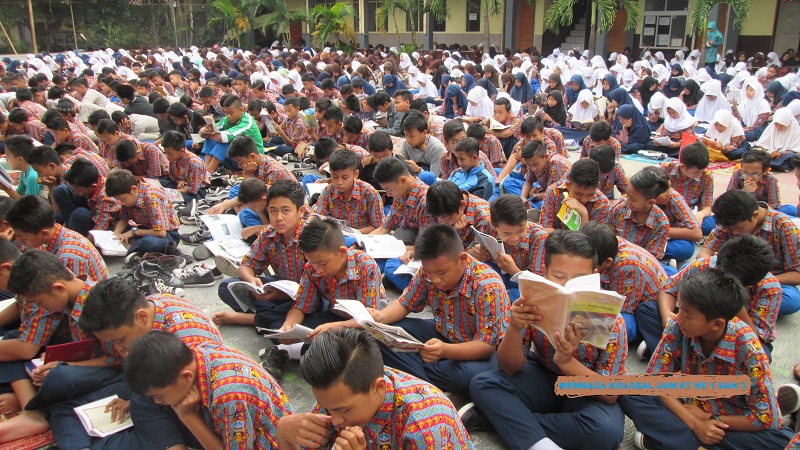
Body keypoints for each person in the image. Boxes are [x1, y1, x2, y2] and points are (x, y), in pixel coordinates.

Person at [463, 230, 627, 450]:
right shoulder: (533, 302)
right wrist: (514, 326)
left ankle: (502, 421)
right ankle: (539, 441)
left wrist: (567, 361)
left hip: (587, 392)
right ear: (545, 272)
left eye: (579, 280)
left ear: (594, 275)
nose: (567, 286)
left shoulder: (612, 319)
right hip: (544, 377)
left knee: (605, 432)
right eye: (559, 277)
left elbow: (610, 394)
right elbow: (509, 368)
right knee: (483, 384)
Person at [619, 269, 794, 450]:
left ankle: (672, 438)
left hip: (732, 416)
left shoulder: (749, 349)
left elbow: (765, 419)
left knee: (782, 442)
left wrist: (709, 418)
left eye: (686, 313)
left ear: (716, 324)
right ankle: (682, 440)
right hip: (689, 401)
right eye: (680, 309)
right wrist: (696, 424)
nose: (677, 317)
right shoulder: (678, 325)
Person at [276, 328, 473, 449]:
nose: (334, 420)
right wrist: (284, 435)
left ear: (378, 387)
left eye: (343, 410)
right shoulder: (340, 394)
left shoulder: (424, 428)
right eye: (326, 407)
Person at [373, 224, 509, 395]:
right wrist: (379, 318)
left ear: (462, 259)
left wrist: (445, 350)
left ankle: (415, 377)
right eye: (429, 272)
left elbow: (486, 346)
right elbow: (404, 303)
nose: (435, 279)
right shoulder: (428, 271)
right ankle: (426, 382)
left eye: (441, 272)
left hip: (478, 349)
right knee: (383, 333)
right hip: (444, 331)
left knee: (470, 376)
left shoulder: (487, 286)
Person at [124, 331, 292, 449]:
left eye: (159, 395)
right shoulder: (197, 352)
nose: (157, 400)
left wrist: (187, 416)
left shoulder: (227, 397)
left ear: (186, 376)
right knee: (143, 402)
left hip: (270, 443)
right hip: (237, 425)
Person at [639, 234, 781, 362]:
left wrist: (734, 301)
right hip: (694, 322)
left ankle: (680, 355)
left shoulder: (769, 289)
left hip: (727, 338)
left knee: (761, 356)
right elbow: (668, 289)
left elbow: (756, 338)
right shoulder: (709, 264)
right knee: (647, 309)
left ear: (749, 285)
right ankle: (675, 351)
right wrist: (667, 317)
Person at [276, 218, 386, 343]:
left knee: (348, 343)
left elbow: (369, 319)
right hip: (336, 316)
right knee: (285, 327)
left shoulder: (365, 266)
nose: (318, 270)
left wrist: (333, 328)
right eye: (313, 263)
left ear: (342, 252)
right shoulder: (311, 268)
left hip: (366, 323)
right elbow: (301, 305)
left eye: (322, 263)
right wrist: (288, 326)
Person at [698, 190, 800, 316]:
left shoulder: (785, 228)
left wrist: (759, 282)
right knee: (691, 271)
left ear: (755, 215)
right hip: (729, 280)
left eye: (738, 228)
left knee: (791, 300)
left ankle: (725, 304)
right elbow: (704, 253)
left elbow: (797, 274)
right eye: (731, 229)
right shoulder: (731, 221)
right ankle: (737, 306)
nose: (734, 233)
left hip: (767, 282)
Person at [581, 221, 668, 343]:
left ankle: (646, 337)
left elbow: (623, 308)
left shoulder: (627, 267)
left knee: (617, 326)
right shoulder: (606, 243)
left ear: (607, 262)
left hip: (645, 308)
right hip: (626, 287)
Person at [5, 195, 108, 281]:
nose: (19, 240)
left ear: (43, 234)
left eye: (23, 238)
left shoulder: (68, 257)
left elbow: (76, 299)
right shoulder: (53, 236)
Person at [106, 169, 181, 255]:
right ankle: (132, 246)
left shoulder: (151, 197)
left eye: (123, 199)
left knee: (149, 243)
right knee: (112, 227)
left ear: (134, 189)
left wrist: (133, 232)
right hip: (145, 228)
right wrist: (115, 236)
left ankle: (131, 249)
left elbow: (161, 233)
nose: (122, 203)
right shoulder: (128, 196)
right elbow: (123, 219)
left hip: (167, 234)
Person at [490, 194, 548, 299]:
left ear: (526, 218)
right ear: (494, 226)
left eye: (521, 231)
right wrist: (476, 251)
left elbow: (537, 284)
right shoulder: (489, 227)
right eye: (506, 234)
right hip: (500, 274)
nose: (514, 238)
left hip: (525, 284)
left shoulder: (539, 237)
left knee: (515, 297)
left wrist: (512, 269)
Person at [606, 168, 671, 261]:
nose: (627, 200)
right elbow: (606, 239)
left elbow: (651, 258)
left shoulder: (661, 223)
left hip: (640, 264)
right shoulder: (618, 208)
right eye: (627, 194)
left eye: (633, 199)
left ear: (650, 202)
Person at [313, 149, 385, 233]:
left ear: (356, 174)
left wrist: (353, 233)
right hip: (335, 235)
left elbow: (378, 227)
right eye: (335, 177)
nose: (339, 182)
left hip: (361, 237)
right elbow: (316, 214)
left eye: (345, 178)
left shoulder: (369, 193)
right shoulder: (328, 190)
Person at [370, 157, 434, 248]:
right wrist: (363, 243)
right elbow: (384, 228)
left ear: (403, 180)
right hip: (403, 244)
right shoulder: (401, 194)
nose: (388, 195)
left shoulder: (425, 201)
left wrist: (390, 248)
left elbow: (426, 247)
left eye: (389, 190)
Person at [646, 166, 702, 262]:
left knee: (685, 248)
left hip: (666, 239)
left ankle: (651, 255)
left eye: (669, 187)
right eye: (663, 191)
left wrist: (658, 230)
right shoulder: (636, 198)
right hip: (640, 239)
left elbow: (696, 234)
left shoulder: (673, 198)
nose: (669, 193)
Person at [540, 158, 610, 232]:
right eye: (579, 194)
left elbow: (592, 240)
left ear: (596, 188)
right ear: (568, 185)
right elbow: (545, 229)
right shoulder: (553, 192)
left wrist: (584, 214)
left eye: (590, 195)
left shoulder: (602, 204)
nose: (584, 199)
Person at [659, 142, 715, 235]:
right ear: (682, 166)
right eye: (697, 172)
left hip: (690, 216)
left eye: (702, 171)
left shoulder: (707, 177)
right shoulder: (665, 170)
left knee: (711, 223)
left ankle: (678, 233)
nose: (700, 175)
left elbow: (707, 207)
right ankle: (682, 234)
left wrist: (700, 215)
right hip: (666, 214)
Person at [199, 95, 263, 172]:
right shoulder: (227, 119)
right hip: (235, 157)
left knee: (225, 141)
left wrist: (209, 133)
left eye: (231, 113)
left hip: (248, 159)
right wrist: (203, 131)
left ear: (241, 109)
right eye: (226, 113)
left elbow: (224, 137)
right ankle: (207, 167)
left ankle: (209, 170)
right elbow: (212, 129)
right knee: (209, 136)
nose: (228, 116)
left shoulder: (248, 123)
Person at [61, 159, 121, 237]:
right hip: (94, 210)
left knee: (79, 214)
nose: (75, 192)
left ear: (93, 187)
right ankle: (71, 231)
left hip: (111, 225)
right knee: (61, 190)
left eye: (77, 190)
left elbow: (100, 227)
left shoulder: (105, 197)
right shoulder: (92, 182)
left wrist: (85, 245)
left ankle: (77, 239)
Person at [161, 130, 209, 203]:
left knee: (166, 199)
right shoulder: (174, 158)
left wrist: (170, 192)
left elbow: (193, 189)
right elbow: (172, 176)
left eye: (170, 154)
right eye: (166, 153)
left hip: (195, 192)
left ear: (181, 151)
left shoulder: (194, 163)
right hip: (181, 186)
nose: (167, 157)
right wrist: (179, 181)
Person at [399, 109, 445, 181]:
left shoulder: (436, 148)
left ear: (424, 132)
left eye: (412, 136)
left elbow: (433, 179)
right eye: (406, 135)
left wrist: (418, 170)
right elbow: (403, 170)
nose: (408, 139)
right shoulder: (406, 144)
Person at [0, 135, 41, 199]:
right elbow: (19, 193)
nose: (6, 160)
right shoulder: (24, 171)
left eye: (8, 157)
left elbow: (31, 205)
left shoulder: (33, 176)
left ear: (20, 159)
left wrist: (7, 188)